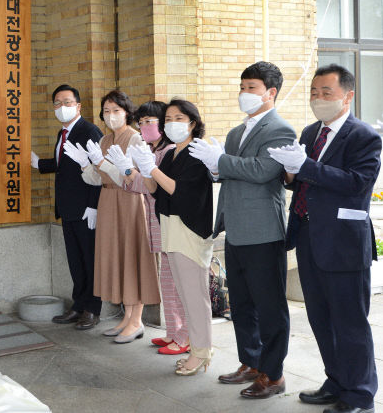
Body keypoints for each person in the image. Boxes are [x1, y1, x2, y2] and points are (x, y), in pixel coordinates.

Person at [269, 64, 380, 413]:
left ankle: (359, 393)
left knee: (350, 323)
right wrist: (289, 172)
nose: (318, 98)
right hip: (309, 236)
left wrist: (306, 167)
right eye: (314, 92)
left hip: (344, 242)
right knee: (321, 319)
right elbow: (300, 182)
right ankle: (336, 380)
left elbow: (356, 183)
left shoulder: (364, 135)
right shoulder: (309, 132)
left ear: (347, 95)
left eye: (326, 92)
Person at [189, 61, 296, 398]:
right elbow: (230, 172)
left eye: (252, 88)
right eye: (243, 87)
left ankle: (273, 375)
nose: (244, 94)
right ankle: (250, 361)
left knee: (270, 306)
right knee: (243, 304)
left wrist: (220, 161)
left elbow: (263, 170)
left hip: (264, 230)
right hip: (235, 228)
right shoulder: (237, 132)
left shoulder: (281, 129)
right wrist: (214, 167)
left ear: (271, 92)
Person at [63, 90, 160, 343]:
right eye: (106, 111)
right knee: (116, 258)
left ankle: (137, 320)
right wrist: (86, 164)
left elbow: (127, 179)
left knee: (131, 257)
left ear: (127, 112)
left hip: (129, 203)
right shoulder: (105, 140)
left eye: (116, 110)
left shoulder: (136, 139)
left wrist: (102, 164)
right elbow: (98, 179)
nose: (111, 115)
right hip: (108, 200)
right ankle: (126, 318)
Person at [130, 98, 213, 375]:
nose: (173, 124)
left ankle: (201, 353)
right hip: (170, 227)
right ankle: (196, 349)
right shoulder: (171, 154)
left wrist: (151, 169)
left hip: (189, 230)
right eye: (169, 119)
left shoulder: (197, 152)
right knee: (183, 293)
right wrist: (144, 168)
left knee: (194, 295)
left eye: (179, 118)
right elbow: (156, 189)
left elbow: (181, 191)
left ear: (193, 122)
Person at [30, 84, 103, 330]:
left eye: (67, 102)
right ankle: (79, 305)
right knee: (75, 261)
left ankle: (93, 309)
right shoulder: (63, 133)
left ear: (78, 105)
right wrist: (40, 163)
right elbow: (66, 165)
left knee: (89, 260)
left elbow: (99, 170)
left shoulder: (89, 130)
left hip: (85, 209)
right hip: (68, 207)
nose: (62, 107)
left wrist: (93, 206)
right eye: (58, 103)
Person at [119, 101, 185, 354]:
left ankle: (184, 337)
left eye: (151, 121)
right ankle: (173, 333)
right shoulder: (149, 149)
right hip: (157, 224)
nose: (145, 126)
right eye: (142, 122)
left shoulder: (169, 151)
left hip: (172, 224)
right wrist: (127, 171)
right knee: (167, 281)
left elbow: (155, 188)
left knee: (179, 284)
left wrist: (135, 172)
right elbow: (139, 186)